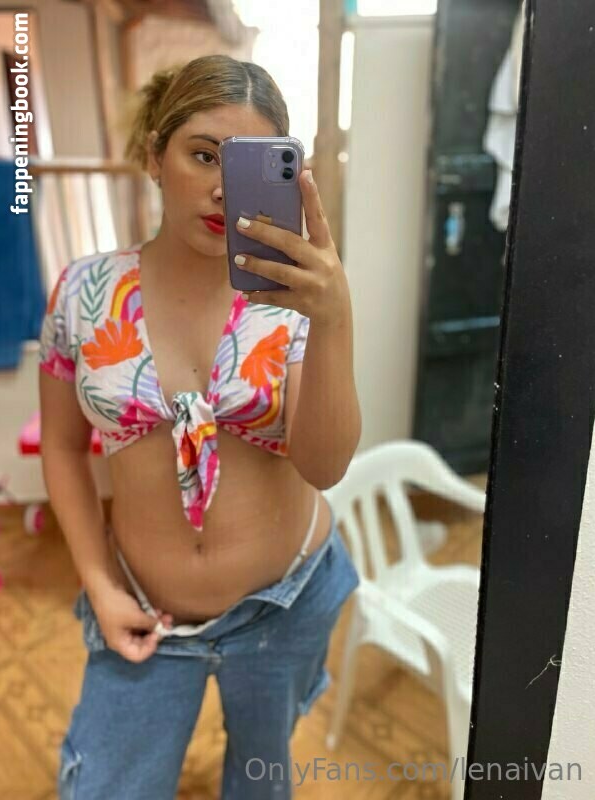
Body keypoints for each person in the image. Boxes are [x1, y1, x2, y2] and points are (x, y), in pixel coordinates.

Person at [39, 54, 361, 800]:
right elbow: (61, 447)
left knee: (260, 782)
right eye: (203, 155)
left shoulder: (294, 299)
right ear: (156, 156)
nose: (223, 188)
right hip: (142, 609)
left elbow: (323, 466)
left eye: (248, 166)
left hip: (285, 603)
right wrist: (99, 585)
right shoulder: (84, 293)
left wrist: (334, 319)